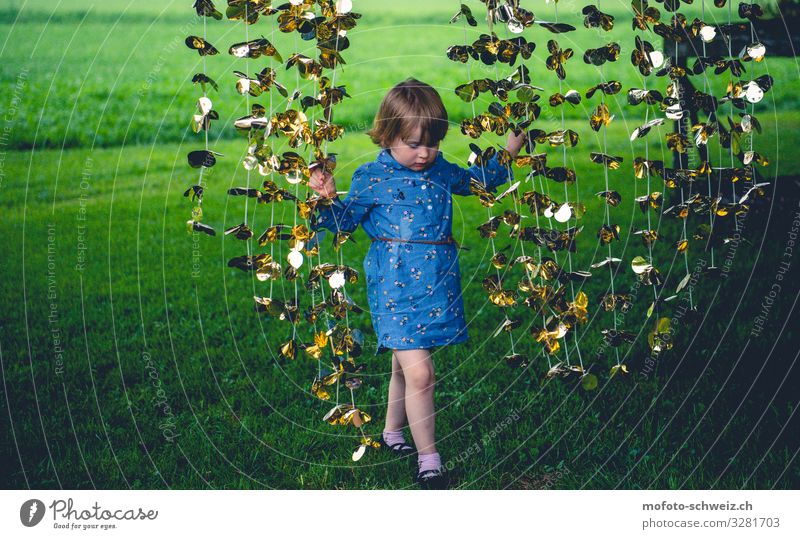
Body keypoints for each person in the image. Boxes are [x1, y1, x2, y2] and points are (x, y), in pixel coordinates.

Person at [308, 78, 525, 488]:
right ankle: (430, 460)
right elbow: (342, 225)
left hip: (435, 283)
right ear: (388, 135)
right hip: (394, 287)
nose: (424, 153)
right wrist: (327, 196)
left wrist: (512, 147)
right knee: (421, 373)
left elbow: (480, 181)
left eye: (432, 143)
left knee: (403, 365)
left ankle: (392, 433)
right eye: (412, 143)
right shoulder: (371, 177)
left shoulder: (441, 170)